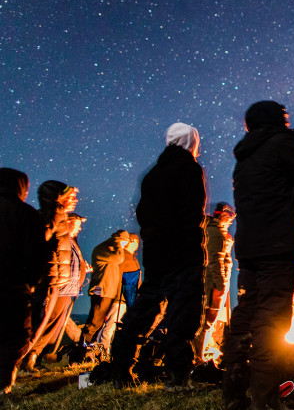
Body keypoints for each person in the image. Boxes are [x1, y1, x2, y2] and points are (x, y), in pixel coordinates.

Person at [223, 100, 294, 410]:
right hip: (277, 244)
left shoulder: (244, 156)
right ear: (276, 120)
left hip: (248, 246)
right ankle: (265, 401)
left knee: (246, 314)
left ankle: (233, 395)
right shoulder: (281, 144)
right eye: (285, 117)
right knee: (272, 318)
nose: (288, 122)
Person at [109, 122, 207, 390]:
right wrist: (192, 241)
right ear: (191, 142)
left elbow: (143, 213)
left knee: (145, 307)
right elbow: (192, 212)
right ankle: (178, 376)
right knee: (183, 312)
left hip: (156, 252)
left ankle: (121, 369)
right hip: (183, 252)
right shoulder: (189, 168)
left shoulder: (153, 174)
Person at [0, 168, 49, 394]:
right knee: (15, 335)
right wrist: (30, 281)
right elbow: (37, 254)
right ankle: (3, 382)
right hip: (12, 286)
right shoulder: (26, 214)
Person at [25, 180, 79, 371]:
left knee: (42, 325)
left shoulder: (59, 214)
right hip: (48, 280)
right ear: (57, 197)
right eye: (70, 196)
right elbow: (41, 242)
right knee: (37, 324)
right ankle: (19, 363)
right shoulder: (53, 213)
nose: (74, 200)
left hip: (54, 280)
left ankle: (26, 361)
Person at [78, 229, 131, 360]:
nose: (125, 246)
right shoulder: (103, 250)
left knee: (98, 324)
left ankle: (89, 353)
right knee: (94, 323)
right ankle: (80, 353)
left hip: (108, 291)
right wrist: (119, 244)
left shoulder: (108, 249)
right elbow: (119, 258)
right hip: (102, 291)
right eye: (125, 242)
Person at [194, 202, 235, 363]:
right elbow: (215, 261)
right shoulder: (215, 233)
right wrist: (221, 285)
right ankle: (197, 357)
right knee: (207, 321)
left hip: (216, 282)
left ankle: (198, 354)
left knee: (207, 322)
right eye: (229, 217)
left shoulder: (218, 231)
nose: (230, 221)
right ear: (223, 215)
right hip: (214, 285)